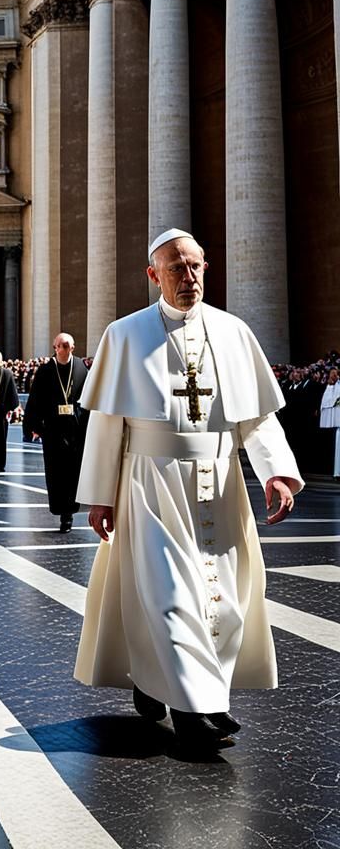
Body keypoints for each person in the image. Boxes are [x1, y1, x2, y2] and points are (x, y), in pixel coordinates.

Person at [73, 228, 303, 753]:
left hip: (219, 484)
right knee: (172, 596)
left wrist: (277, 472)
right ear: (153, 275)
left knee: (221, 598)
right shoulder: (125, 335)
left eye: (195, 266)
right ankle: (193, 711)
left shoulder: (234, 332)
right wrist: (100, 494)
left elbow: (256, 418)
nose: (188, 276)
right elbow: (107, 424)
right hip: (151, 484)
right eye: (175, 267)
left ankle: (188, 688)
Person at [22, 332, 89, 532]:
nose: (62, 349)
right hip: (53, 430)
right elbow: (35, 400)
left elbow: (89, 398)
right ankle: (62, 512)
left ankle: (69, 512)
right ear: (54, 348)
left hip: (75, 430)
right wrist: (33, 426)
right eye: (59, 345)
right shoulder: (45, 370)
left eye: (66, 345)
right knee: (56, 472)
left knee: (73, 472)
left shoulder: (81, 368)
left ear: (73, 347)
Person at [319, 367, 340, 479]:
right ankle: (337, 472)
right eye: (331, 373)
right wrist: (330, 385)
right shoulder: (330, 386)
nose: (332, 375)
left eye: (334, 373)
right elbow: (328, 401)